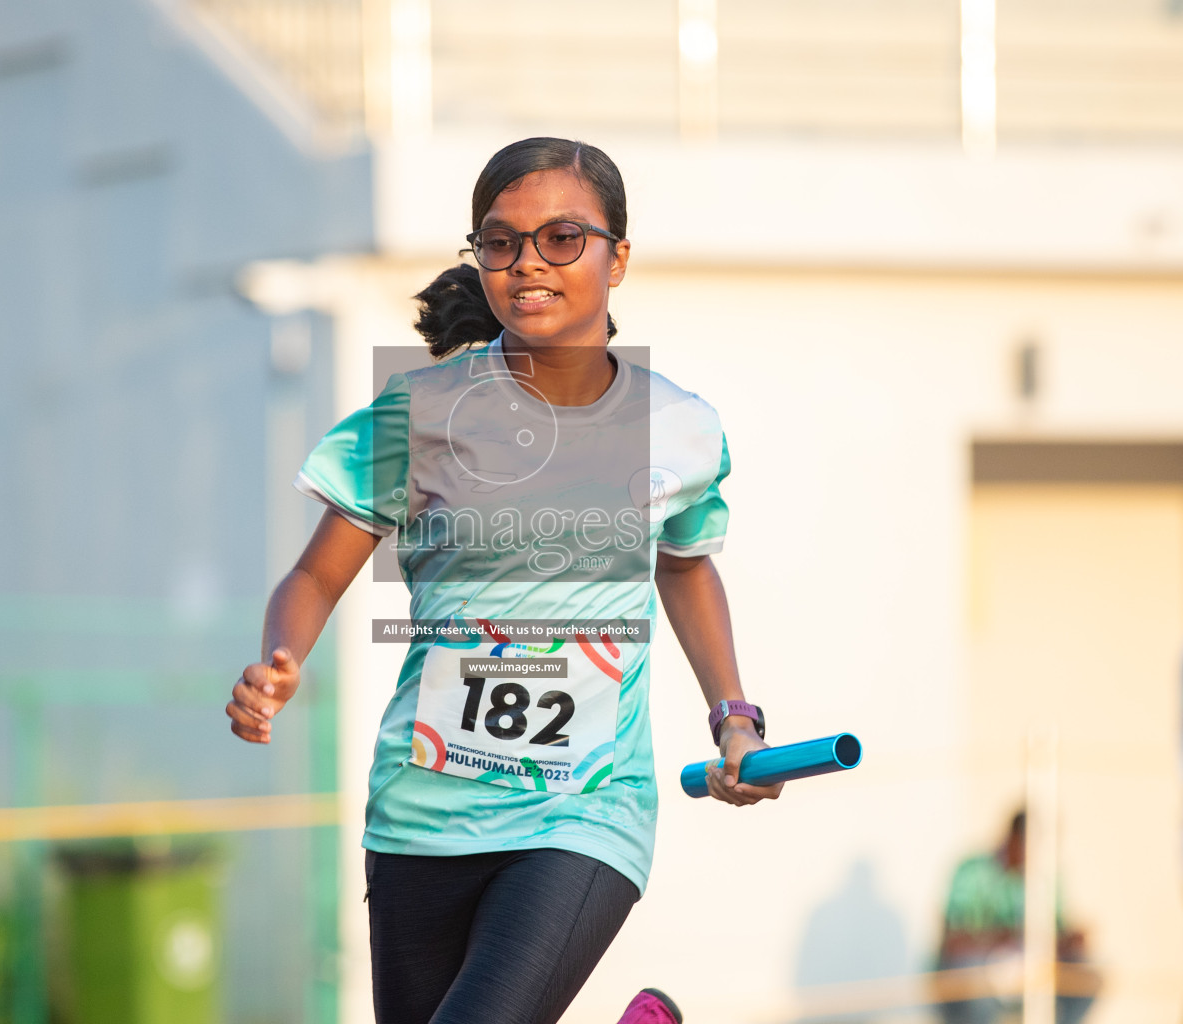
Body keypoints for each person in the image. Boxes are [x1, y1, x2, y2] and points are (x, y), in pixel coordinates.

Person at [225, 137, 779, 1024]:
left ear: (617, 257)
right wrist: (279, 659)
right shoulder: (422, 412)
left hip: (583, 808)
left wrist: (735, 717)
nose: (528, 264)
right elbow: (312, 576)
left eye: (562, 238)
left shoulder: (676, 428)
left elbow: (685, 567)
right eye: (501, 242)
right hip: (421, 810)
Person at [934, 811, 1096, 1024]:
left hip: (1029, 970)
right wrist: (1005, 939)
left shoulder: (1046, 875)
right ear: (1012, 839)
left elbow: (1057, 932)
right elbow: (953, 941)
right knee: (976, 983)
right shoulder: (972, 871)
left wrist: (1069, 939)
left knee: (1086, 976)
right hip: (980, 970)